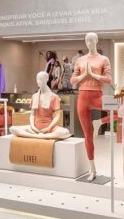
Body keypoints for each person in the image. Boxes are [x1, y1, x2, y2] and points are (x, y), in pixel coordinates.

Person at [70, 32, 112, 181]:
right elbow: (73, 80)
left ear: (97, 41)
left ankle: (99, 122)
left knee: (121, 111)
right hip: (82, 97)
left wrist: (93, 75)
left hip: (97, 96)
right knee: (88, 136)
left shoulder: (103, 59)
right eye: (87, 40)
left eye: (92, 40)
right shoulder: (80, 60)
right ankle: (92, 169)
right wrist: (84, 75)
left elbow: (109, 79)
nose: (89, 42)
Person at [10, 71, 71, 139]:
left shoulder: (54, 97)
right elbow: (32, 114)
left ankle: (41, 136)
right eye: (37, 79)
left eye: (41, 79)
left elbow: (57, 116)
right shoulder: (34, 96)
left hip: (49, 128)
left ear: (46, 79)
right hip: (35, 128)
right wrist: (33, 126)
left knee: (65, 132)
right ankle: (37, 136)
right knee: (12, 129)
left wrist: (48, 128)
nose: (39, 81)